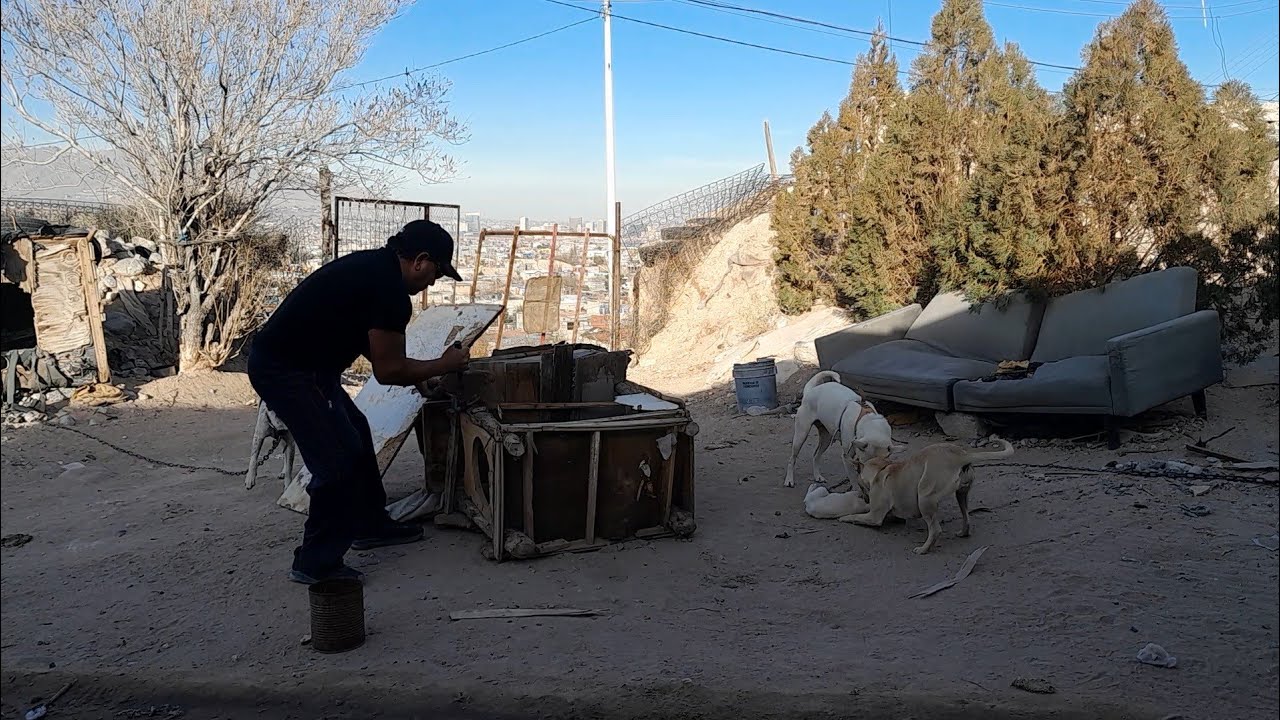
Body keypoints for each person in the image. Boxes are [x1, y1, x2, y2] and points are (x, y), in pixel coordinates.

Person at [248, 219, 470, 584]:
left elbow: (370, 343)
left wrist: (421, 379)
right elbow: (389, 370)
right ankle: (316, 562)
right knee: (336, 459)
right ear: (420, 260)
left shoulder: (374, 269)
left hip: (306, 367)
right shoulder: (389, 291)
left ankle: (369, 525)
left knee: (357, 433)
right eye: (436, 272)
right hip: (287, 371)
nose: (432, 282)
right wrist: (444, 364)